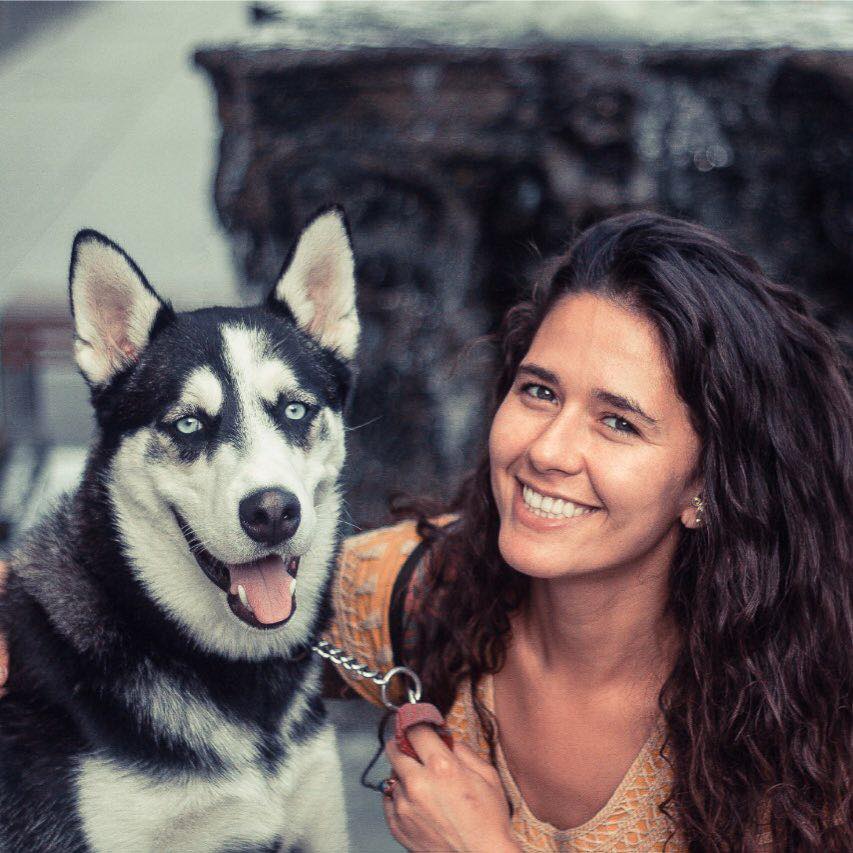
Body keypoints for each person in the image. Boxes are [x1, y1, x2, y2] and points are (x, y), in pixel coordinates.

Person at [1, 212, 851, 851]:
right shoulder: (421, 593)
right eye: (539, 391)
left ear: (705, 485)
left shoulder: (800, 709)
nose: (548, 450)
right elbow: (157, 591)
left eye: (619, 422)